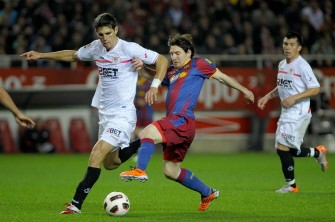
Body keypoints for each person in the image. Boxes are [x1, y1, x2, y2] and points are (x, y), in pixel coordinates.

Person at [20, 12, 168, 214]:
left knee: (96, 154)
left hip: (123, 114)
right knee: (111, 163)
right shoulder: (96, 48)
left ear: (116, 30)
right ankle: (145, 140)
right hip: (105, 115)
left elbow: (161, 61)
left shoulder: (129, 48)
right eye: (101, 34)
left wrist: (155, 86)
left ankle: (76, 203)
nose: (105, 39)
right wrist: (41, 55)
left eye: (108, 33)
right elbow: (72, 55)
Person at [120, 33, 255, 211]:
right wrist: (142, 66)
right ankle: (208, 192)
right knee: (170, 171)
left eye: (177, 53)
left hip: (182, 120)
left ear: (188, 52)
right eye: (171, 54)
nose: (173, 57)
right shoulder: (173, 72)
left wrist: (244, 90)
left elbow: (221, 77)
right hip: (180, 125)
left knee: (147, 133)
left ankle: (140, 170)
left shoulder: (199, 64)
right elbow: (157, 75)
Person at [257, 31, 328, 193]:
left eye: (292, 45)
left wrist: (295, 98)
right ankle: (317, 152)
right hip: (287, 112)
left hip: (299, 113)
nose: (287, 48)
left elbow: (315, 88)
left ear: (299, 48)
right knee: (289, 149)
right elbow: (281, 86)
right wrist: (267, 97)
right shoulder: (282, 64)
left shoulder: (303, 66)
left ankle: (292, 185)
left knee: (282, 147)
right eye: (285, 44)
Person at [248, 72, 277, 151]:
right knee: (255, 130)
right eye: (259, 78)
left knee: (262, 131)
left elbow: (273, 101)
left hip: (265, 113)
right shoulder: (253, 89)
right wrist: (252, 111)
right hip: (256, 114)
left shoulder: (268, 89)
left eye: (262, 78)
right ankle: (253, 147)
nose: (260, 80)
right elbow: (250, 102)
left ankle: (260, 147)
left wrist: (269, 110)